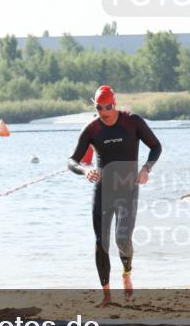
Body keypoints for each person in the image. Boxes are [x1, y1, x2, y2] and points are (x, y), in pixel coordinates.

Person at [68, 85, 162, 306]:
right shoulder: (92, 129)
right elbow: (72, 161)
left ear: (115, 103)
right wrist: (85, 170)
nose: (105, 112)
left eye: (108, 107)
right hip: (103, 190)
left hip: (128, 188)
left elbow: (156, 146)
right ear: (96, 107)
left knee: (122, 239)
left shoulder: (132, 121)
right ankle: (107, 295)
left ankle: (127, 272)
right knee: (101, 242)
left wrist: (146, 168)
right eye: (100, 108)